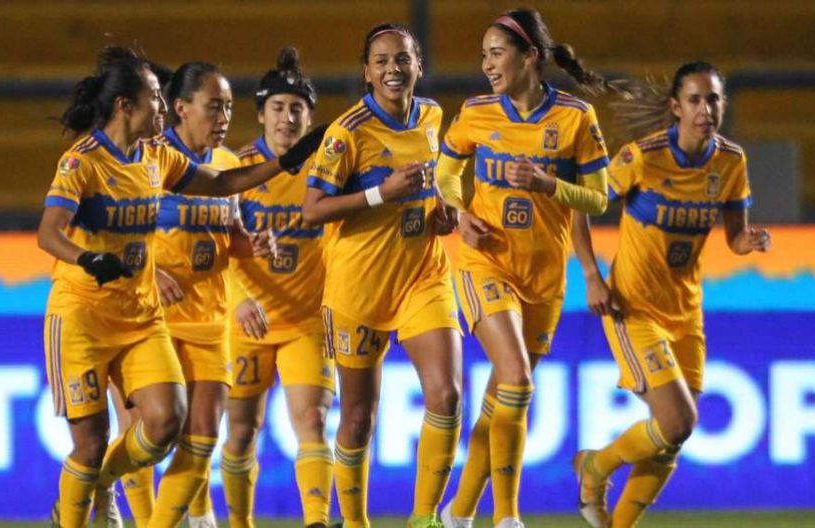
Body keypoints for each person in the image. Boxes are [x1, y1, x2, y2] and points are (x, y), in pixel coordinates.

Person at [38, 45, 324, 528]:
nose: (162, 105)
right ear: (124, 105)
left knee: (169, 424)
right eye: (154, 96)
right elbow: (49, 232)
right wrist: (87, 258)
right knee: (90, 444)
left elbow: (221, 184)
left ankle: (105, 483)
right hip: (84, 316)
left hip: (142, 317)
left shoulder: (157, 157)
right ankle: (84, 499)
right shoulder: (81, 162)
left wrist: (286, 162)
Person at [572, 61, 771, 528]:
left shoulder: (730, 162)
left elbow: (734, 236)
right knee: (679, 421)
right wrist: (592, 275)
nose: (706, 109)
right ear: (676, 107)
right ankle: (595, 466)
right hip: (633, 307)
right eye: (695, 100)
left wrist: (749, 241)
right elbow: (580, 206)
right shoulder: (643, 157)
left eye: (714, 99)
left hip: (686, 312)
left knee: (673, 436)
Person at [435, 8, 613, 528]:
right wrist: (459, 215)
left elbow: (599, 199)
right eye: (484, 56)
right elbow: (445, 175)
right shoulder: (476, 113)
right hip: (485, 262)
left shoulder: (576, 118)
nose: (487, 65)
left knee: (502, 398)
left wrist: (547, 184)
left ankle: (458, 514)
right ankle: (507, 517)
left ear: (530, 56)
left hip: (545, 277)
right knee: (516, 379)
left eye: (497, 53)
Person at [303, 23, 462, 528]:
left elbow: (436, 184)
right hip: (360, 288)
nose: (393, 68)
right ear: (367, 72)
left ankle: (425, 517)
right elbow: (312, 209)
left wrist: (443, 210)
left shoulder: (432, 115)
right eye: (382, 61)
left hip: (422, 275)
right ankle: (355, 522)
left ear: (418, 65)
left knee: (447, 395)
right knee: (357, 418)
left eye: (402, 59)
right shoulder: (347, 132)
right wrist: (381, 193)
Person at [221, 47, 336, 528]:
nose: (287, 117)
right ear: (261, 114)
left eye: (297, 109)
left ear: (309, 117)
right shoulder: (238, 170)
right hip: (247, 323)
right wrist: (239, 300)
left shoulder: (326, 170)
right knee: (242, 431)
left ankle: (316, 521)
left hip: (306, 322)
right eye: (278, 107)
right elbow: (216, 243)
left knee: (312, 422)